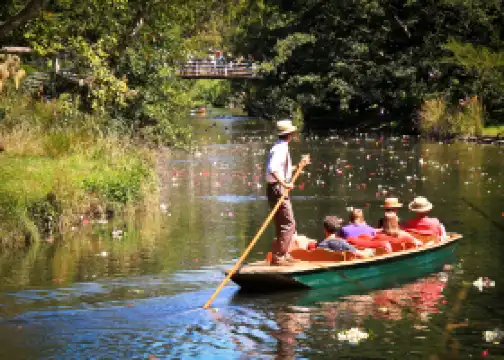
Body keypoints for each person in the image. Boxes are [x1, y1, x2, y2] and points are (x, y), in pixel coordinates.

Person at [266, 119, 309, 266]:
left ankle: (282, 254)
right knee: (289, 224)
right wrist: (284, 183)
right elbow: (273, 169)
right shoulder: (280, 149)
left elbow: (282, 169)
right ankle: (279, 257)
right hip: (278, 188)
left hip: (275, 188)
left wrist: (299, 166)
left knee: (281, 223)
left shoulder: (279, 147)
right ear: (290, 134)